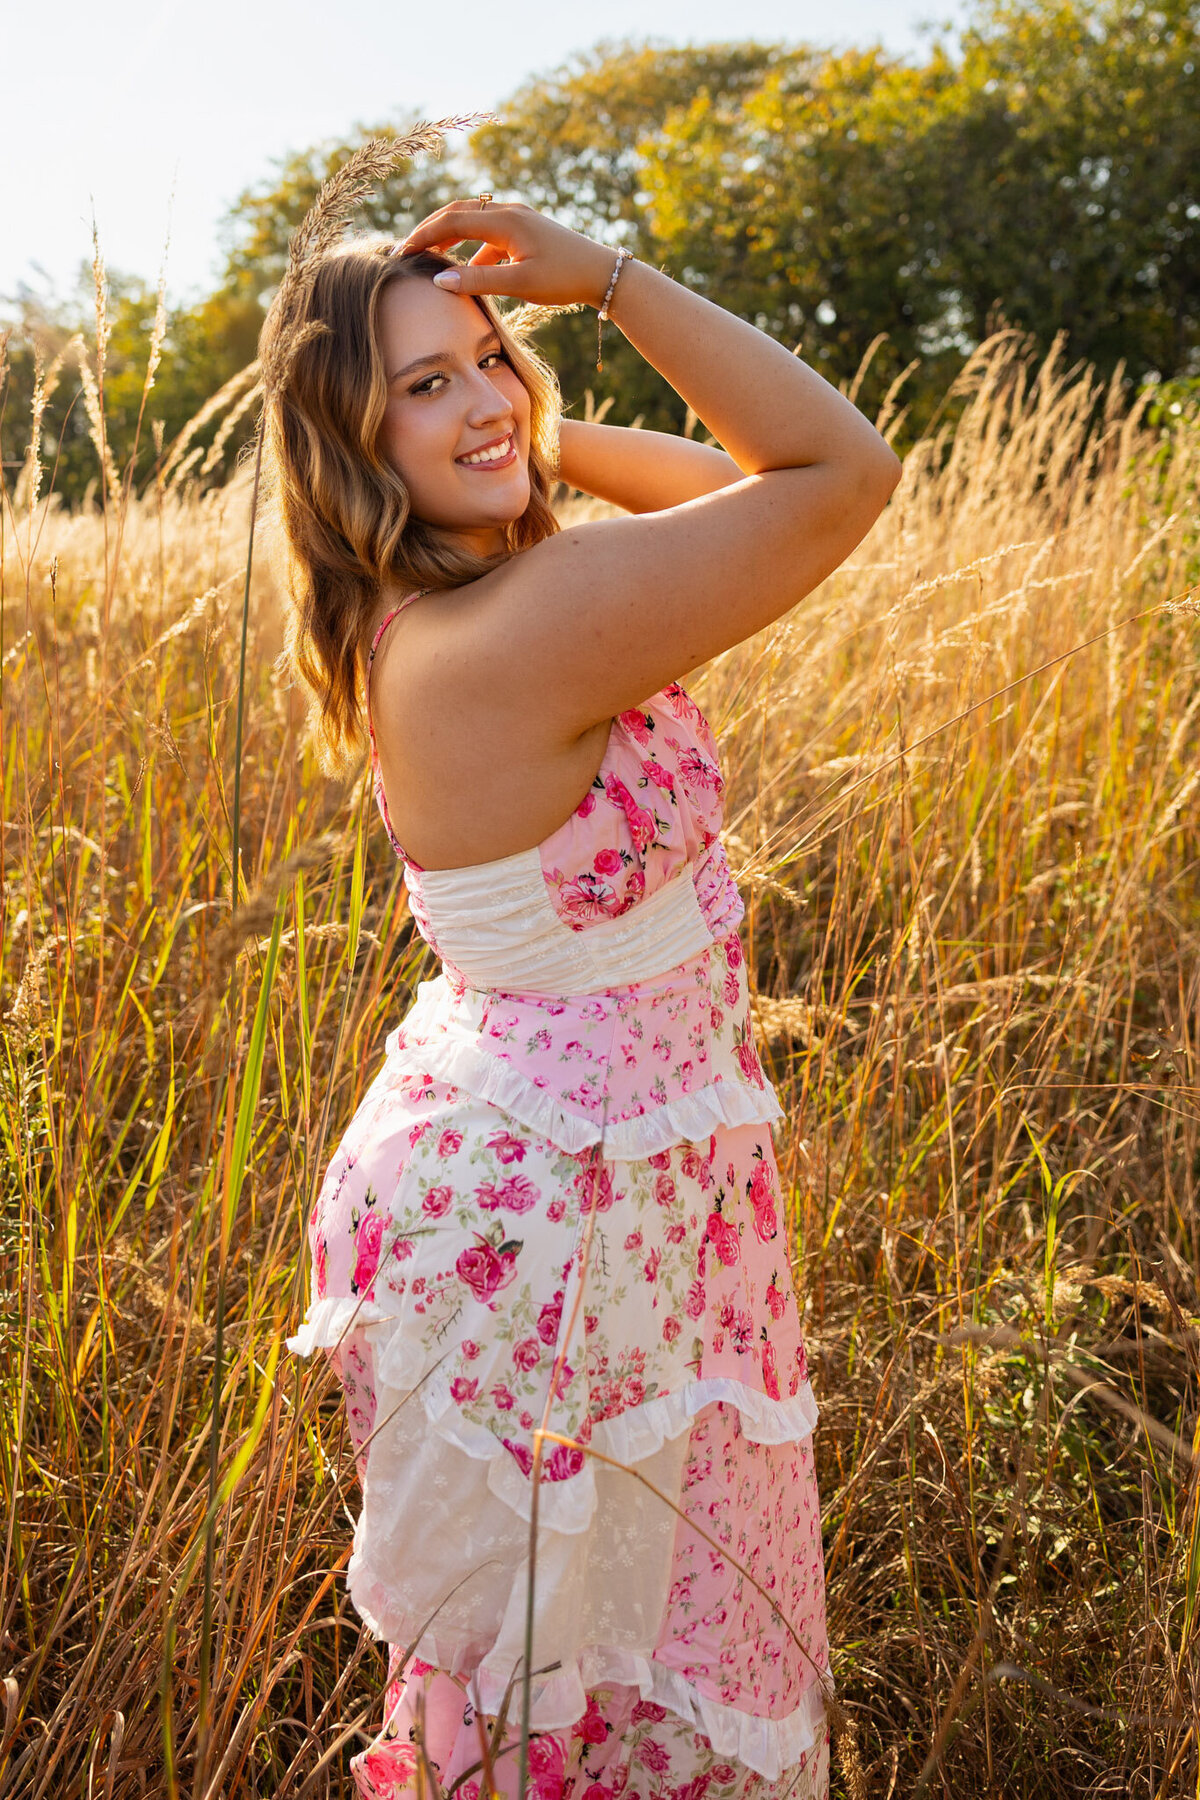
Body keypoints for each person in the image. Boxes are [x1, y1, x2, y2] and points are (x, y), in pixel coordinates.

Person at [278, 196, 900, 1800]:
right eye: (423, 385)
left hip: (591, 1186)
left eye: (491, 358)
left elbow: (712, 494)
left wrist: (510, 432)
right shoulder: (520, 631)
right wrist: (608, 285)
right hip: (557, 1230)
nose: (483, 396)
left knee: (601, 1684)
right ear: (345, 429)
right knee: (584, 1709)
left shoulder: (466, 601)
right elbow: (833, 477)